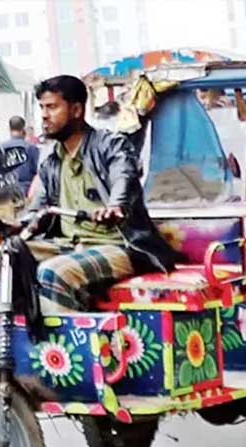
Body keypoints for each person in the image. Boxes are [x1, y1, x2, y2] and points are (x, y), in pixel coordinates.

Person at [28, 75, 176, 313]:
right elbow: (37, 211)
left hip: (121, 245)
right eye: (42, 108)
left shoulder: (111, 145)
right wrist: (10, 227)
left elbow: (124, 176)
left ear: (76, 110)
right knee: (0, 257)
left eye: (52, 107)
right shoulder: (51, 162)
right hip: (68, 245)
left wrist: (116, 206)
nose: (44, 115)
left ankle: (65, 347)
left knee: (52, 273)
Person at [0, 115, 40, 195]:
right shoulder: (32, 148)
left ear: (9, 129)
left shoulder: (1, 148)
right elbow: (39, 172)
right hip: (27, 191)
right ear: (24, 129)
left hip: (6, 191)